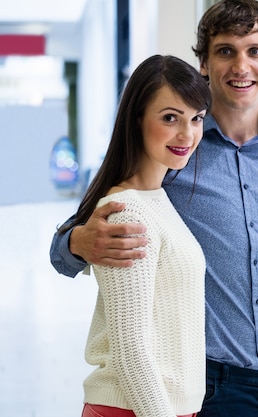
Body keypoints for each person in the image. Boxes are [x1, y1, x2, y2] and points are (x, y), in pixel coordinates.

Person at [50, 1, 258, 416]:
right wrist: (78, 241)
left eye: (255, 51)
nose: (241, 66)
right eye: (226, 51)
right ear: (203, 63)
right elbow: (75, 238)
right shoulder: (173, 150)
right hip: (206, 390)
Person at [55, 54, 211, 417]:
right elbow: (131, 352)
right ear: (137, 118)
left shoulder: (156, 199)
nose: (187, 134)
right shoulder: (128, 211)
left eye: (196, 119)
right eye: (170, 118)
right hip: (136, 409)